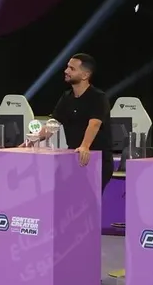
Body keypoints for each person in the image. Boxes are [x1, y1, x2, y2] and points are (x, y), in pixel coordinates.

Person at [42, 53, 114, 191]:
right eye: (67, 67)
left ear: (85, 75)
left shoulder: (98, 97)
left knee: (89, 200)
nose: (66, 71)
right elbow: (53, 124)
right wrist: (32, 139)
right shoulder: (66, 97)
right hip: (73, 159)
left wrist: (85, 146)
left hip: (97, 160)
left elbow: (94, 124)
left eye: (72, 69)